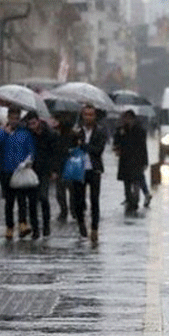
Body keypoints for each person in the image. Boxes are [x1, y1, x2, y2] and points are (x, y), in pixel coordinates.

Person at [0, 107, 37, 241]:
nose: (14, 121)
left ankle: (23, 223)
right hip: (6, 170)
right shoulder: (1, 131)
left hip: (20, 170)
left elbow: (31, 149)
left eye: (17, 118)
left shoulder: (25, 133)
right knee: (9, 201)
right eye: (12, 118)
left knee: (22, 199)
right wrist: (5, 134)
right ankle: (9, 227)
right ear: (8, 118)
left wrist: (29, 160)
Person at [70, 104, 107, 243]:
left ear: (95, 116)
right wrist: (74, 140)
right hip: (79, 169)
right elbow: (70, 147)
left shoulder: (100, 132)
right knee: (78, 201)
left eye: (91, 115)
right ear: (82, 115)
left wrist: (84, 145)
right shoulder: (77, 130)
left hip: (94, 169)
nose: (88, 117)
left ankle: (94, 228)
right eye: (86, 114)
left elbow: (98, 150)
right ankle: (81, 223)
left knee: (94, 200)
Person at [25, 113, 61, 238]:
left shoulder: (50, 134)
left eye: (34, 123)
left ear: (39, 121)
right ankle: (35, 229)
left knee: (43, 198)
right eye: (29, 124)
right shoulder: (28, 134)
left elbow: (56, 153)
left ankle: (46, 226)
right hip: (31, 170)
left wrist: (54, 170)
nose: (32, 127)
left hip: (45, 171)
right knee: (32, 201)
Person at [114, 109, 151, 213]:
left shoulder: (140, 131)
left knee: (136, 180)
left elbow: (143, 147)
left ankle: (135, 200)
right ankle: (129, 198)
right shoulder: (121, 130)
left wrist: (145, 162)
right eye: (126, 118)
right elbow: (116, 142)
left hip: (136, 160)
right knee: (126, 181)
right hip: (125, 160)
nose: (127, 121)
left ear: (133, 119)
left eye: (129, 118)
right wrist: (117, 146)